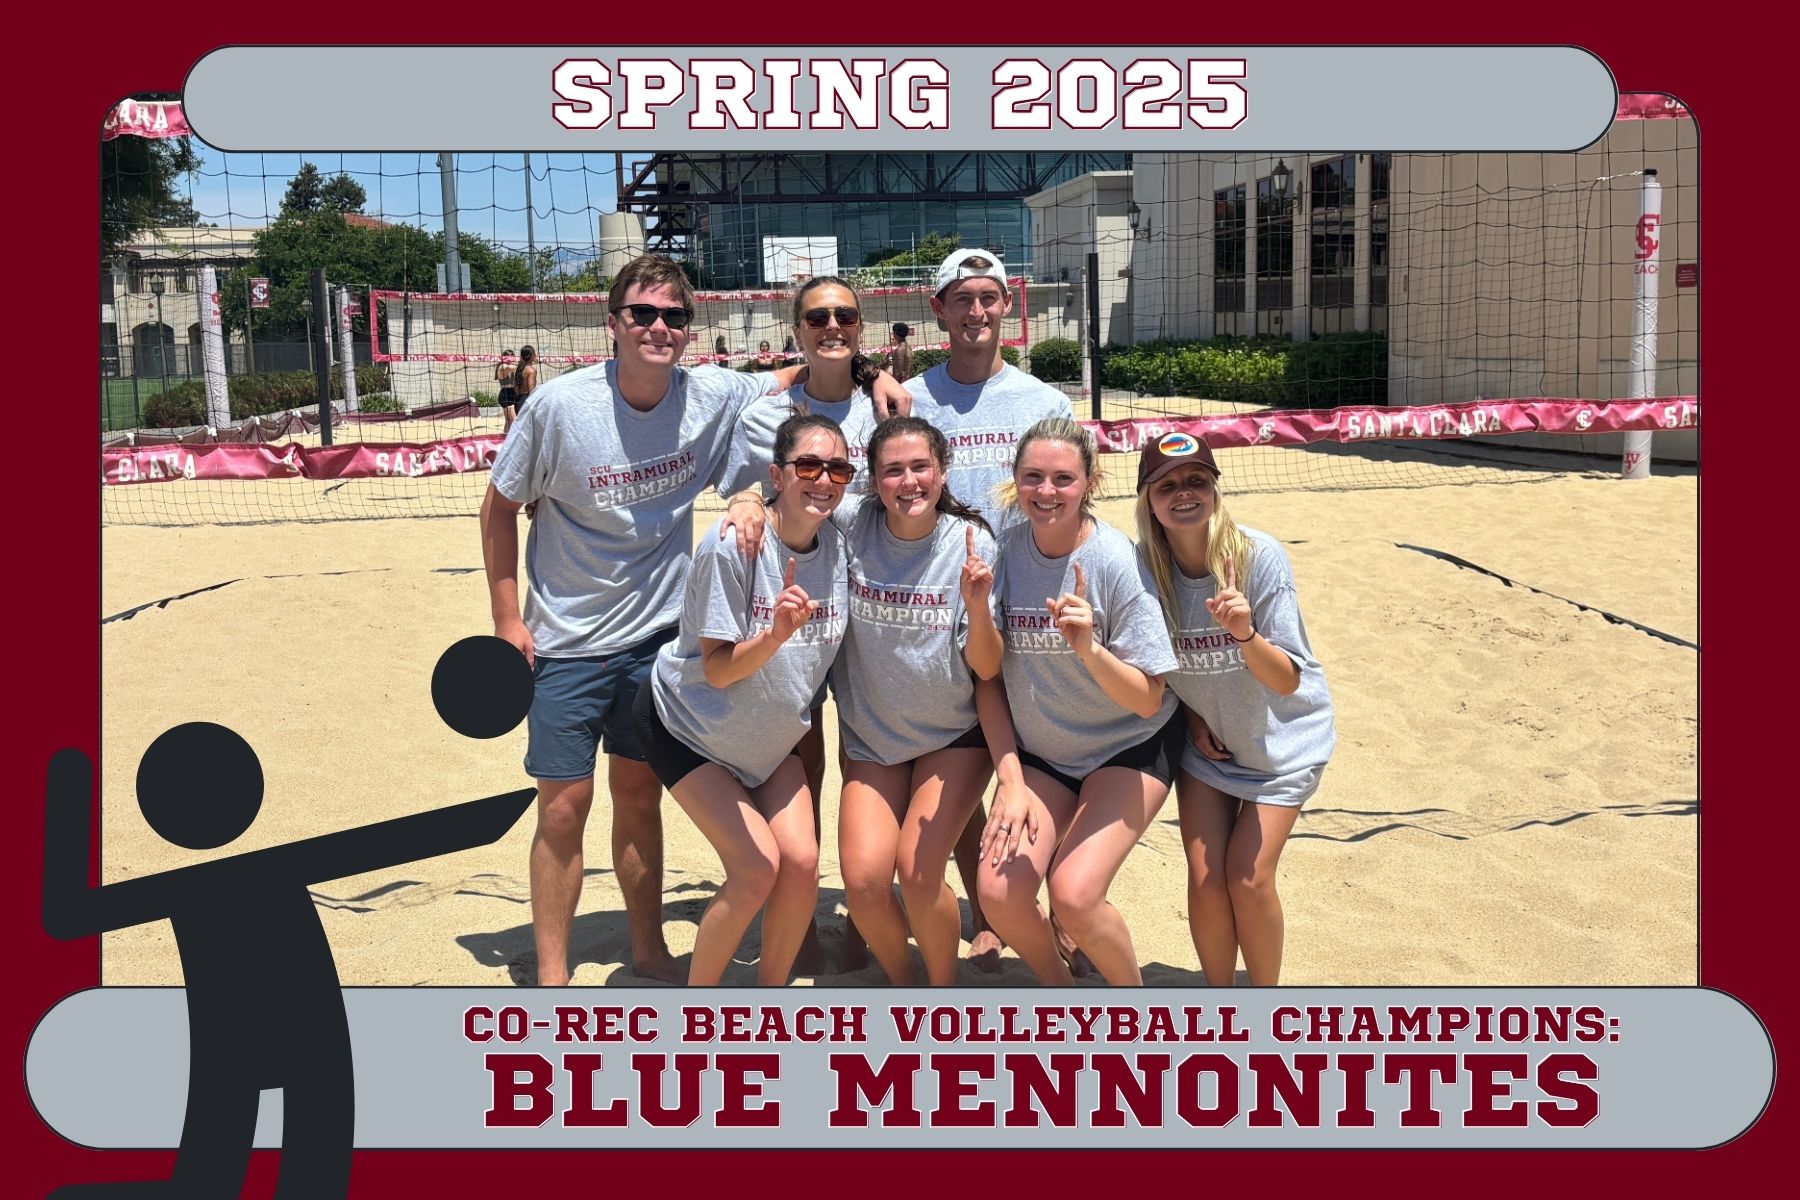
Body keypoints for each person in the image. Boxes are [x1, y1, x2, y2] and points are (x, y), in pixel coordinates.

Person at [480, 254, 835, 987]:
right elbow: (499, 506)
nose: (659, 328)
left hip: (658, 640)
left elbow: (798, 376)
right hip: (567, 641)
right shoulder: (558, 407)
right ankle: (552, 976)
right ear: (612, 324)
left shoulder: (707, 394)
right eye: (642, 313)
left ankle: (649, 951)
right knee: (562, 809)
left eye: (674, 317)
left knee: (639, 795)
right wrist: (506, 616)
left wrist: (877, 377)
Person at [632, 413, 852, 984]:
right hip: (690, 728)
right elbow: (719, 670)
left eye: (838, 468)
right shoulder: (733, 545)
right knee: (756, 868)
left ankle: (767, 998)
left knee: (802, 866)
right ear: (778, 475)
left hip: (769, 739)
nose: (823, 479)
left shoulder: (842, 545)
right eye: (808, 465)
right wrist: (776, 635)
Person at [976, 417, 1183, 986]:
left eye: (1063, 479)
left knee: (1075, 896)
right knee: (998, 891)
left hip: (1128, 746)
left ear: (1090, 482)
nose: (1047, 492)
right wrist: (1011, 781)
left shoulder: (1115, 561)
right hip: (1045, 751)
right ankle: (1061, 990)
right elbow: (986, 679)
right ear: (1013, 479)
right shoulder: (1004, 546)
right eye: (1033, 477)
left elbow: (1148, 698)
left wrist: (1090, 649)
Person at [1133, 432, 1336, 985]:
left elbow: (1289, 679)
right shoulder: (1141, 570)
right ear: (1147, 499)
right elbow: (1154, 669)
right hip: (1213, 746)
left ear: (1215, 490)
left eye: (1197, 480)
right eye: (1167, 484)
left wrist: (1245, 635)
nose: (1183, 493)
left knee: (1247, 880)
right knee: (1205, 879)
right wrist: (1194, 717)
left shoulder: (1256, 557)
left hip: (1283, 744)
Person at [834, 415, 1004, 985]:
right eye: (892, 470)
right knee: (861, 885)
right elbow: (786, 502)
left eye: (920, 467)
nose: (908, 481)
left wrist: (978, 608)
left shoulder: (972, 542)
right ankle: (905, 983)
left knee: (920, 873)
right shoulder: (851, 522)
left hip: (953, 733)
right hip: (873, 736)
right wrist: (748, 505)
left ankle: (940, 989)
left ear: (942, 472)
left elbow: (985, 667)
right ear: (873, 481)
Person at [904, 249, 1074, 529]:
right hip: (941, 569)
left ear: (1007, 303)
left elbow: (1071, 502)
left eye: (988, 298)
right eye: (962, 299)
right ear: (938, 307)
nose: (976, 312)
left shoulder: (1049, 405)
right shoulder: (910, 401)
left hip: (1023, 568)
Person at [511, 345, 539, 425]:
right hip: (526, 400)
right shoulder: (531, 370)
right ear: (532, 355)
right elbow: (532, 390)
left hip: (518, 400)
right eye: (534, 353)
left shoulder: (520, 367)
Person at [496, 349, 519, 433]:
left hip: (512, 394)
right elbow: (512, 367)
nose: (511, 359)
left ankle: (504, 438)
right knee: (514, 420)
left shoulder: (511, 366)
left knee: (508, 421)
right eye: (509, 357)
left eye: (512, 356)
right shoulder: (503, 366)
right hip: (506, 395)